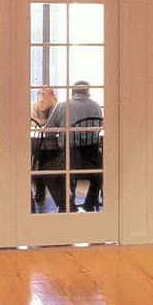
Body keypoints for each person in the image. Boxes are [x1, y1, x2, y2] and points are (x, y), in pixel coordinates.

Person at [45, 81, 105, 212]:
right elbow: (100, 128)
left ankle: (67, 204)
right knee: (101, 173)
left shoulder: (62, 106)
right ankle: (90, 202)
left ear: (72, 92)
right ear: (88, 92)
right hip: (93, 160)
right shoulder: (96, 106)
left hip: (70, 159)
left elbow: (48, 131)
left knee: (46, 170)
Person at [30, 85, 62, 210]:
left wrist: (43, 120)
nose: (42, 97)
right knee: (40, 156)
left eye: (45, 94)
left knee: (46, 157)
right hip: (37, 143)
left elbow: (56, 123)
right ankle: (41, 190)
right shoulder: (34, 105)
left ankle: (42, 190)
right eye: (40, 94)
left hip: (55, 144)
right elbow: (33, 122)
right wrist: (44, 121)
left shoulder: (57, 106)